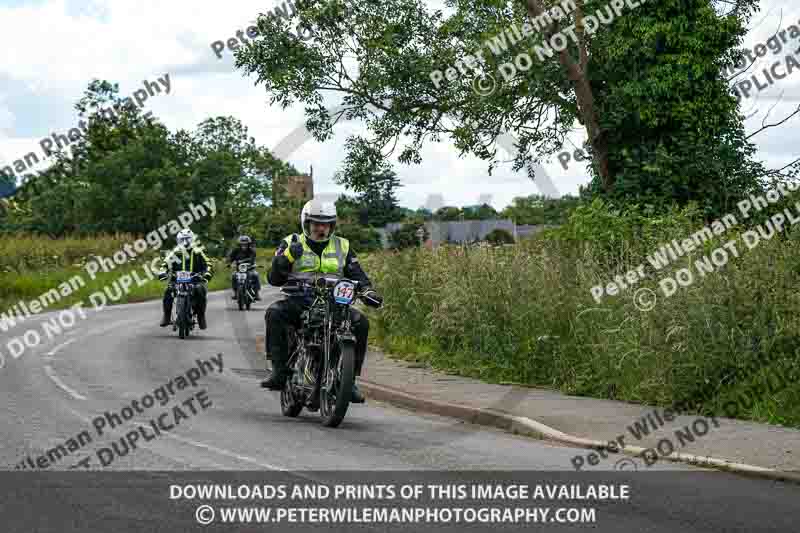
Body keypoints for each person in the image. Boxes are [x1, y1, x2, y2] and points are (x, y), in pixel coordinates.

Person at [261, 198, 383, 403]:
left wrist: (367, 291)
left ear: (332, 226)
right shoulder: (291, 242)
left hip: (334, 304)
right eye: (316, 223)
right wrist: (288, 257)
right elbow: (274, 278)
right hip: (301, 301)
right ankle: (279, 371)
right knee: (274, 312)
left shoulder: (343, 245)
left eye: (325, 224)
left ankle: (349, 381)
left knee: (361, 323)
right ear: (306, 223)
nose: (321, 228)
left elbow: (358, 274)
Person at [158, 228, 214, 330]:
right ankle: (166, 316)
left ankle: (201, 316)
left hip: (195, 279)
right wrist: (162, 272)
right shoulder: (174, 252)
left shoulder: (198, 251)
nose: (185, 242)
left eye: (187, 239)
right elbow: (165, 264)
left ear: (192, 240)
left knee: (200, 290)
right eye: (182, 240)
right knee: (168, 290)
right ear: (178, 240)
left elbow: (208, 264)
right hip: (176, 279)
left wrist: (207, 273)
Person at [228, 235, 261, 300]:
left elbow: (252, 259)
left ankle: (256, 293)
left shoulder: (252, 251)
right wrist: (229, 263)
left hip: (250, 269)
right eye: (242, 244)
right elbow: (231, 258)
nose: (244, 246)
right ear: (239, 245)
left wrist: (243, 261)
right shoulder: (235, 251)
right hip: (239, 270)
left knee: (256, 275)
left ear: (248, 244)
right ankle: (235, 293)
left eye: (245, 244)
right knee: (233, 276)